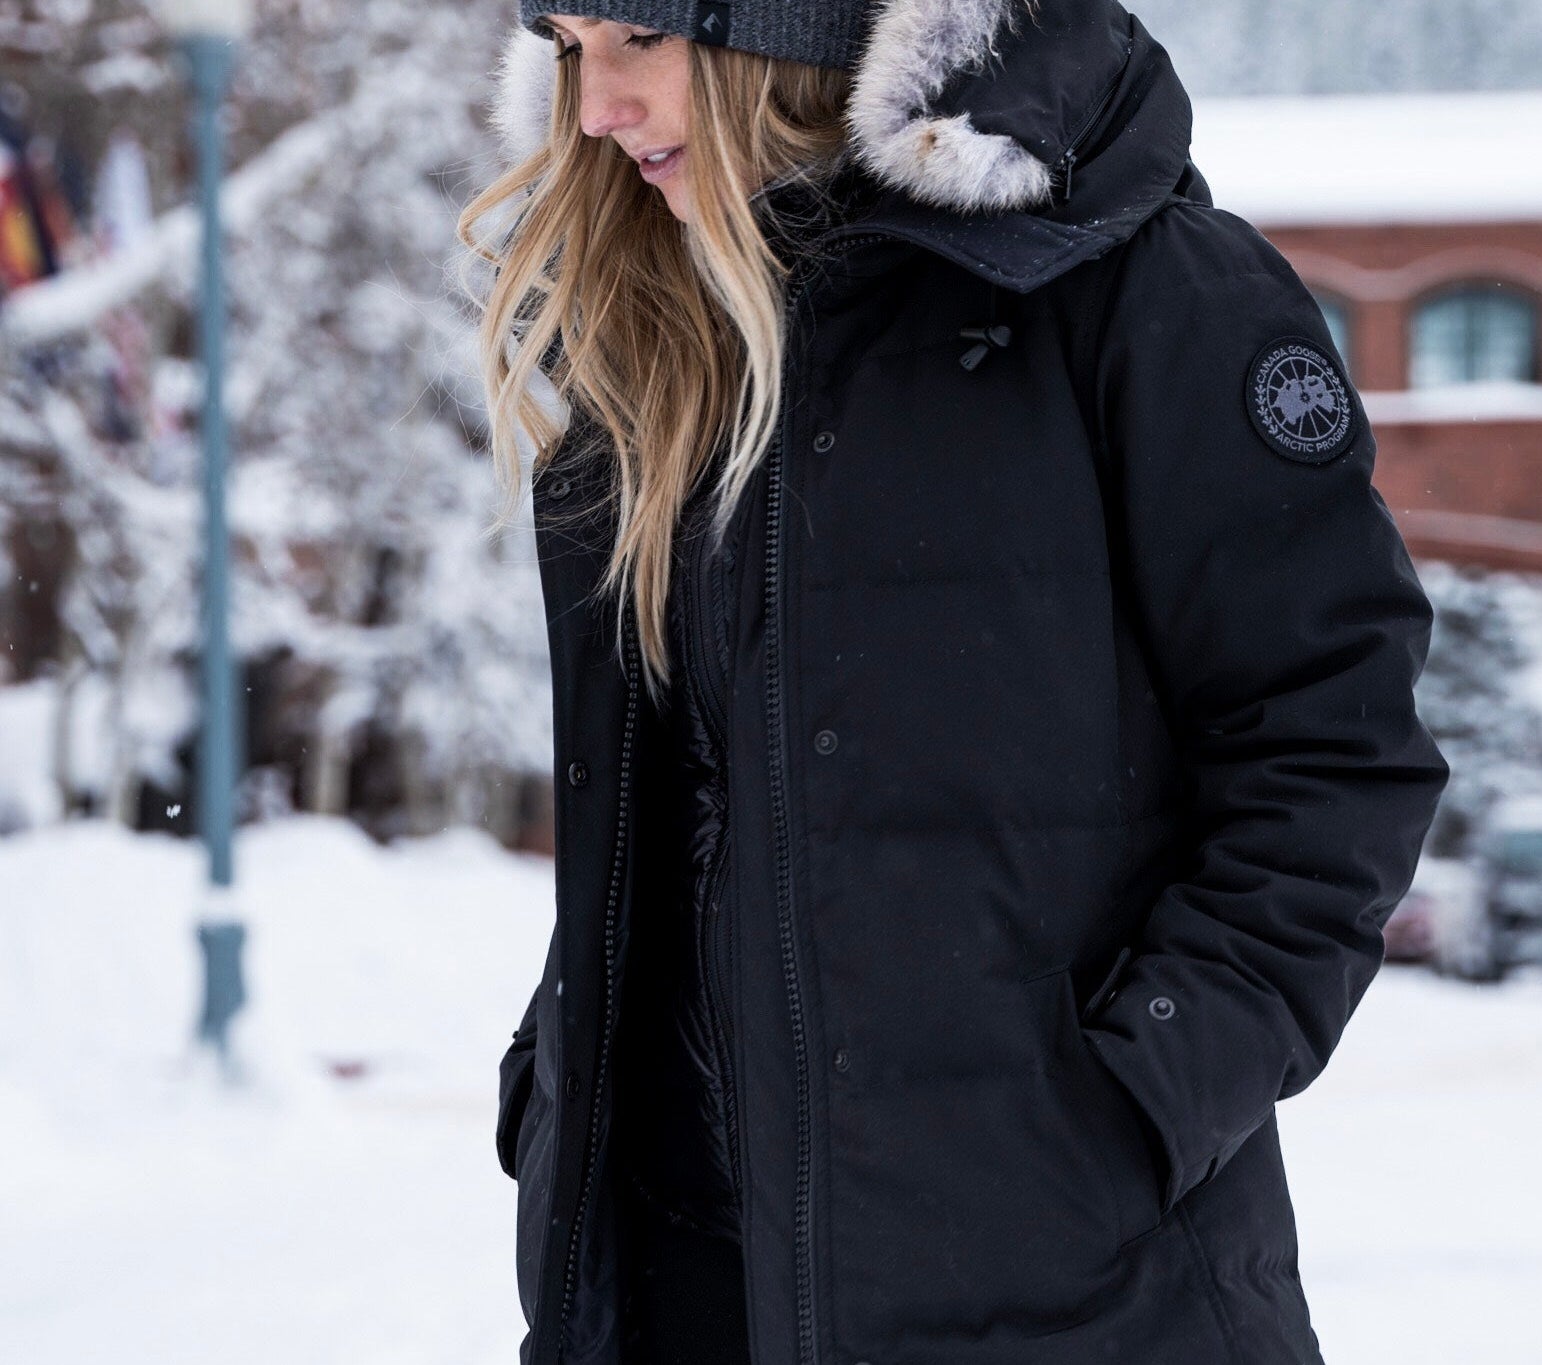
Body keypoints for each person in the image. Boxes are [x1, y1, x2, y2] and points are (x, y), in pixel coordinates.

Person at [461, 3, 1451, 1364]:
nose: (594, 109)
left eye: (633, 41)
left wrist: (1137, 1098)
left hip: (1079, 1305)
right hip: (677, 1289)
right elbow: (680, 788)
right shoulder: (656, 326)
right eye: (568, 52)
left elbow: (1335, 752)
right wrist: (566, 1070)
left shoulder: (1147, 295)